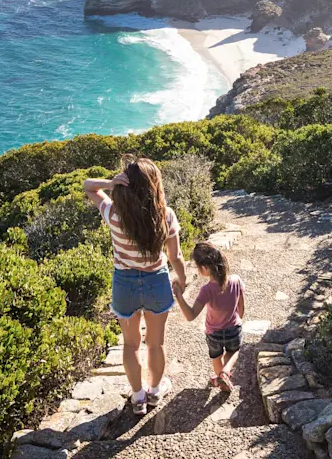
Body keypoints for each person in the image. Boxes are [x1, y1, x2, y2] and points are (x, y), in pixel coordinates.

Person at [84, 156, 187, 415]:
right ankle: (154, 391)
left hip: (125, 284)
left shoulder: (113, 214)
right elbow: (175, 256)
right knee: (155, 343)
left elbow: (88, 186)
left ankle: (138, 397)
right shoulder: (166, 216)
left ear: (126, 186)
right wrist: (182, 279)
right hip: (156, 281)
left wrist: (110, 183)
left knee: (130, 345)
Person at [171, 241, 245, 391]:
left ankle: (221, 377)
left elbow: (191, 315)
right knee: (233, 351)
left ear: (204, 268)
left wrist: (179, 296)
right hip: (233, 329)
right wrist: (238, 320)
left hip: (214, 333)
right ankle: (225, 373)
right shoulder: (236, 280)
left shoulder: (206, 290)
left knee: (216, 357)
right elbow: (241, 308)